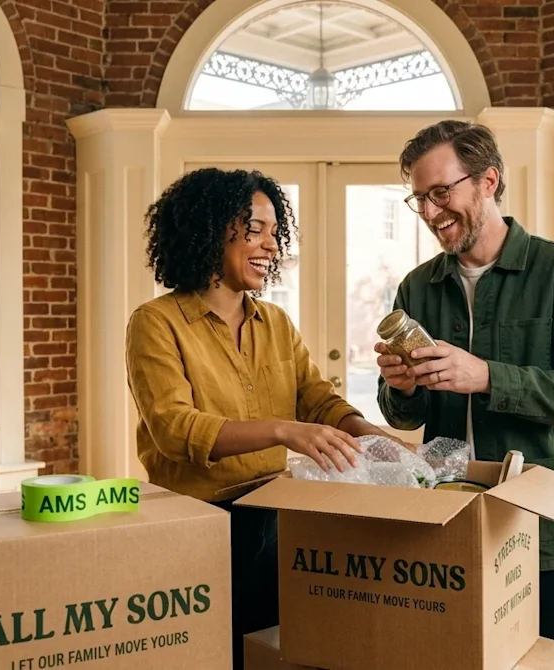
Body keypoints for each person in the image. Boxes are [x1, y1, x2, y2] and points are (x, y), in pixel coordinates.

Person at [125, 167, 392, 670]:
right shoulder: (155, 323)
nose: (271, 245)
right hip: (201, 526)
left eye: (275, 231)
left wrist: (368, 434)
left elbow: (317, 400)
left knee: (278, 651)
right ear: (210, 228)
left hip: (275, 516)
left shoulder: (276, 323)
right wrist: (283, 430)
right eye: (255, 228)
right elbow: (175, 430)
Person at [374, 120, 554, 651]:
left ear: (488, 181)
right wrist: (402, 385)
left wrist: (486, 376)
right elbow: (403, 418)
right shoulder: (416, 288)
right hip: (450, 521)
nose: (431, 212)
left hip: (547, 530)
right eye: (419, 198)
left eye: (441, 192)